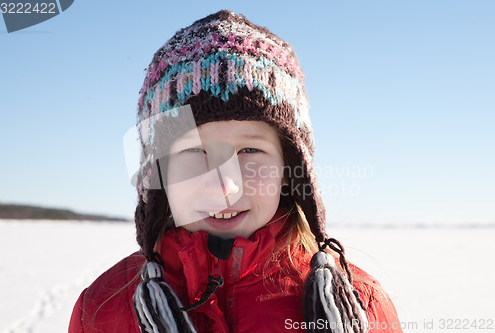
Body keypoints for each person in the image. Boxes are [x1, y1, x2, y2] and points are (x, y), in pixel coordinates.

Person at [69, 10, 402, 333]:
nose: (224, 186)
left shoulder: (359, 308)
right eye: (194, 151)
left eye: (250, 151)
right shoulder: (102, 309)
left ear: (290, 168)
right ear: (158, 172)